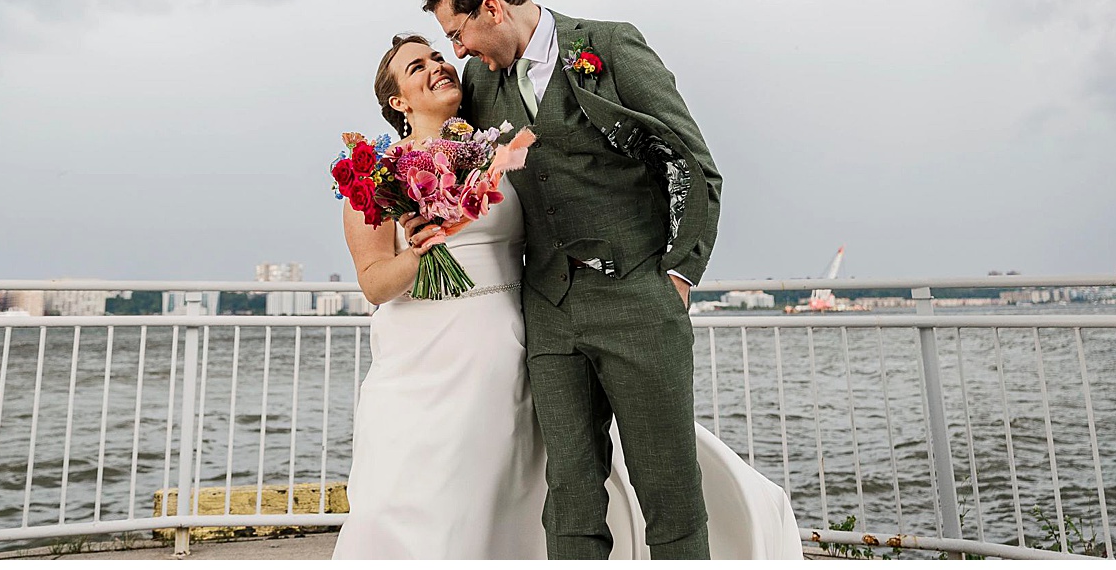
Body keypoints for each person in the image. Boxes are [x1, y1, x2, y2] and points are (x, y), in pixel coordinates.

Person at [333, 34, 799, 558]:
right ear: (398, 102)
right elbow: (374, 282)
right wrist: (421, 251)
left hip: (509, 341)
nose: (438, 66)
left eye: (438, 56)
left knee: (521, 487)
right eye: (416, 67)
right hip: (422, 356)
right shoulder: (375, 173)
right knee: (411, 491)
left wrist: (652, 271)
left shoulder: (499, 156)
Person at [416, 0, 728, 559]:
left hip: (639, 297)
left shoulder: (610, 47)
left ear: (493, 9)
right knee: (569, 493)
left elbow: (693, 162)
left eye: (458, 33)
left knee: (666, 489)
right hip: (549, 305)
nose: (458, 52)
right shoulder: (480, 81)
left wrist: (680, 273)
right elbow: (459, 166)